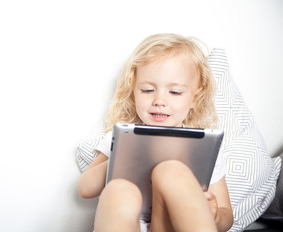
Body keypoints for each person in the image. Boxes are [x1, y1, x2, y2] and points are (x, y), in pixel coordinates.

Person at [77, 33, 233, 232]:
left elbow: (227, 215)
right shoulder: (120, 138)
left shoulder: (204, 147)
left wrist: (215, 216)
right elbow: (85, 188)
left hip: (171, 226)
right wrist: (124, 156)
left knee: (172, 171)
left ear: (194, 98)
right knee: (119, 190)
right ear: (133, 92)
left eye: (175, 92)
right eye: (147, 90)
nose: (159, 100)